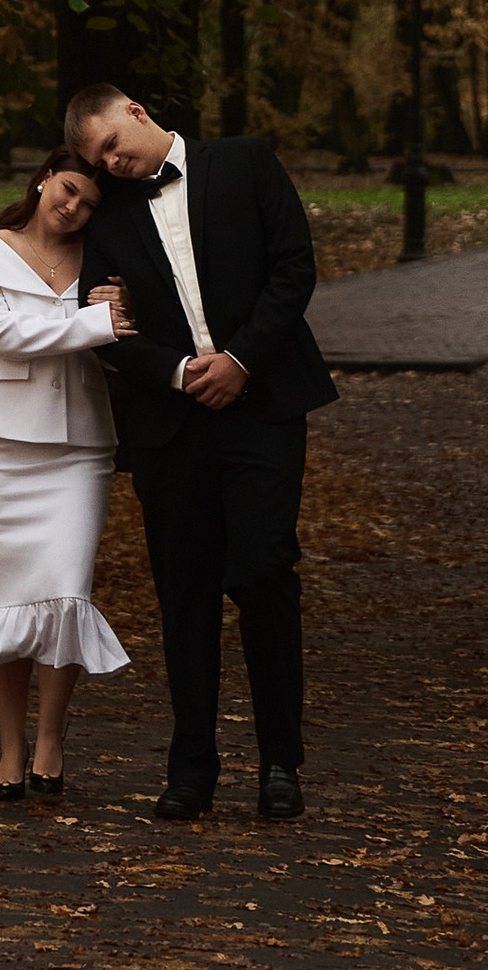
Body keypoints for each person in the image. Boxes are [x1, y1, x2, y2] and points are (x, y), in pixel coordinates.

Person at [61, 82, 336, 824]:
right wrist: (179, 372)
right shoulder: (109, 215)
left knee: (263, 570)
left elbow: (293, 266)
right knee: (183, 593)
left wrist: (241, 358)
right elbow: (104, 322)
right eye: (98, 159)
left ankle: (281, 761)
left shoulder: (245, 163)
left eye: (114, 144)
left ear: (137, 112)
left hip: (263, 405)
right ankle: (192, 769)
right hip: (170, 423)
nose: (112, 162)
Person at [0, 147, 138, 802]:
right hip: (2, 444)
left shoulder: (103, 260)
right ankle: (10, 745)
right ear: (45, 178)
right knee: (8, 599)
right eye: (69, 189)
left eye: (87, 202)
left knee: (64, 590)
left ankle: (51, 735)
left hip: (80, 443)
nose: (73, 206)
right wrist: (90, 321)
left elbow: (128, 328)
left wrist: (119, 312)